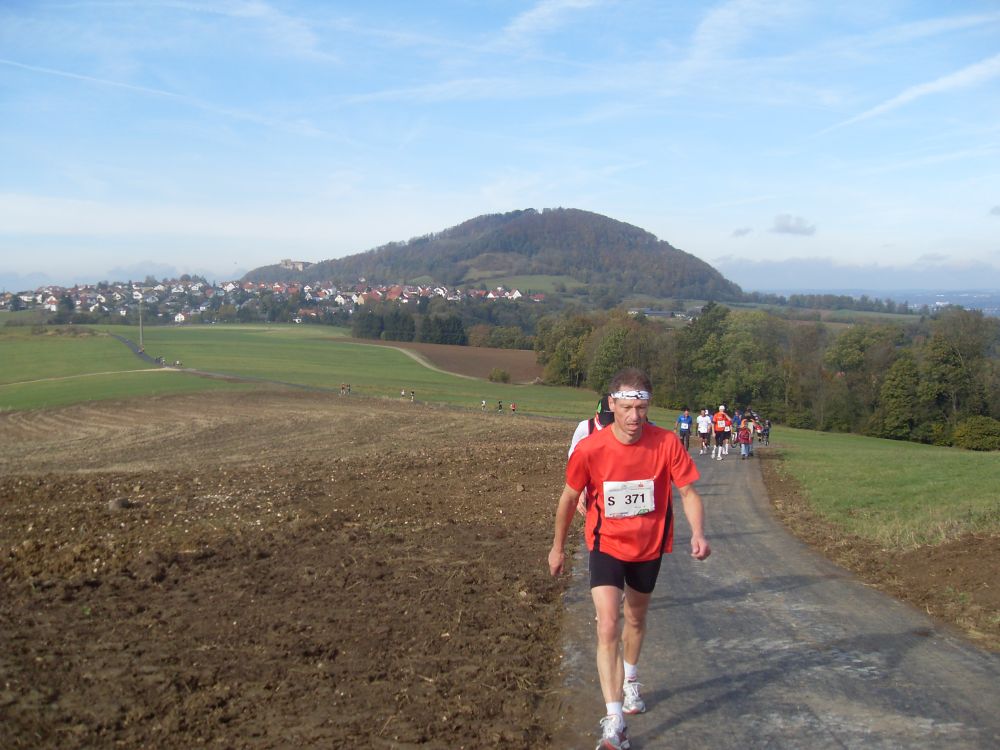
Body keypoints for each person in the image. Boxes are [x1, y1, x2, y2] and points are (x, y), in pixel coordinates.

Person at [549, 368, 711, 750]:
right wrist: (557, 547)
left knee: (635, 618)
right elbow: (569, 498)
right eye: (626, 408)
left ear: (648, 406)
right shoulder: (591, 448)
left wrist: (699, 533)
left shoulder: (666, 443)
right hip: (605, 544)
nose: (634, 416)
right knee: (608, 624)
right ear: (612, 404)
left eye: (641, 408)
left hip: (648, 547)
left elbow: (688, 492)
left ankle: (631, 679)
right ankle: (614, 720)